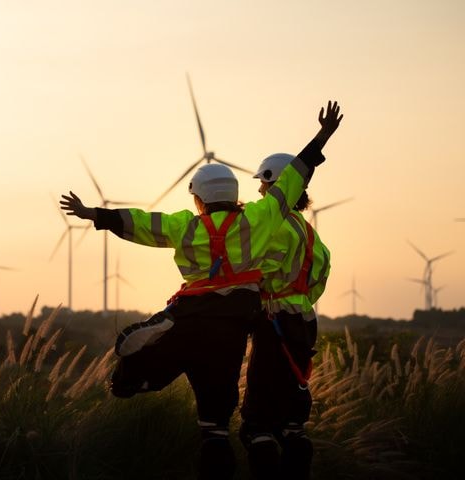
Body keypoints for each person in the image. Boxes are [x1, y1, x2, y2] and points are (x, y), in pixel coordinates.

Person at [60, 101, 343, 480]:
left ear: (198, 198)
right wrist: (322, 137)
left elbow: (142, 223)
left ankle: (143, 360)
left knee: (173, 343)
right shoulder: (261, 220)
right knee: (246, 403)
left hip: (202, 306)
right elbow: (294, 179)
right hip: (260, 315)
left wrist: (97, 214)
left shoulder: (185, 226)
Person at [239, 153, 331, 480]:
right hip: (304, 321)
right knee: (293, 421)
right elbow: (320, 275)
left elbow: (260, 269)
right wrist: (298, 302)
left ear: (273, 182)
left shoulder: (275, 226)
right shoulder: (308, 232)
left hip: (274, 320)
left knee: (257, 422)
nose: (260, 189)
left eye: (263, 182)